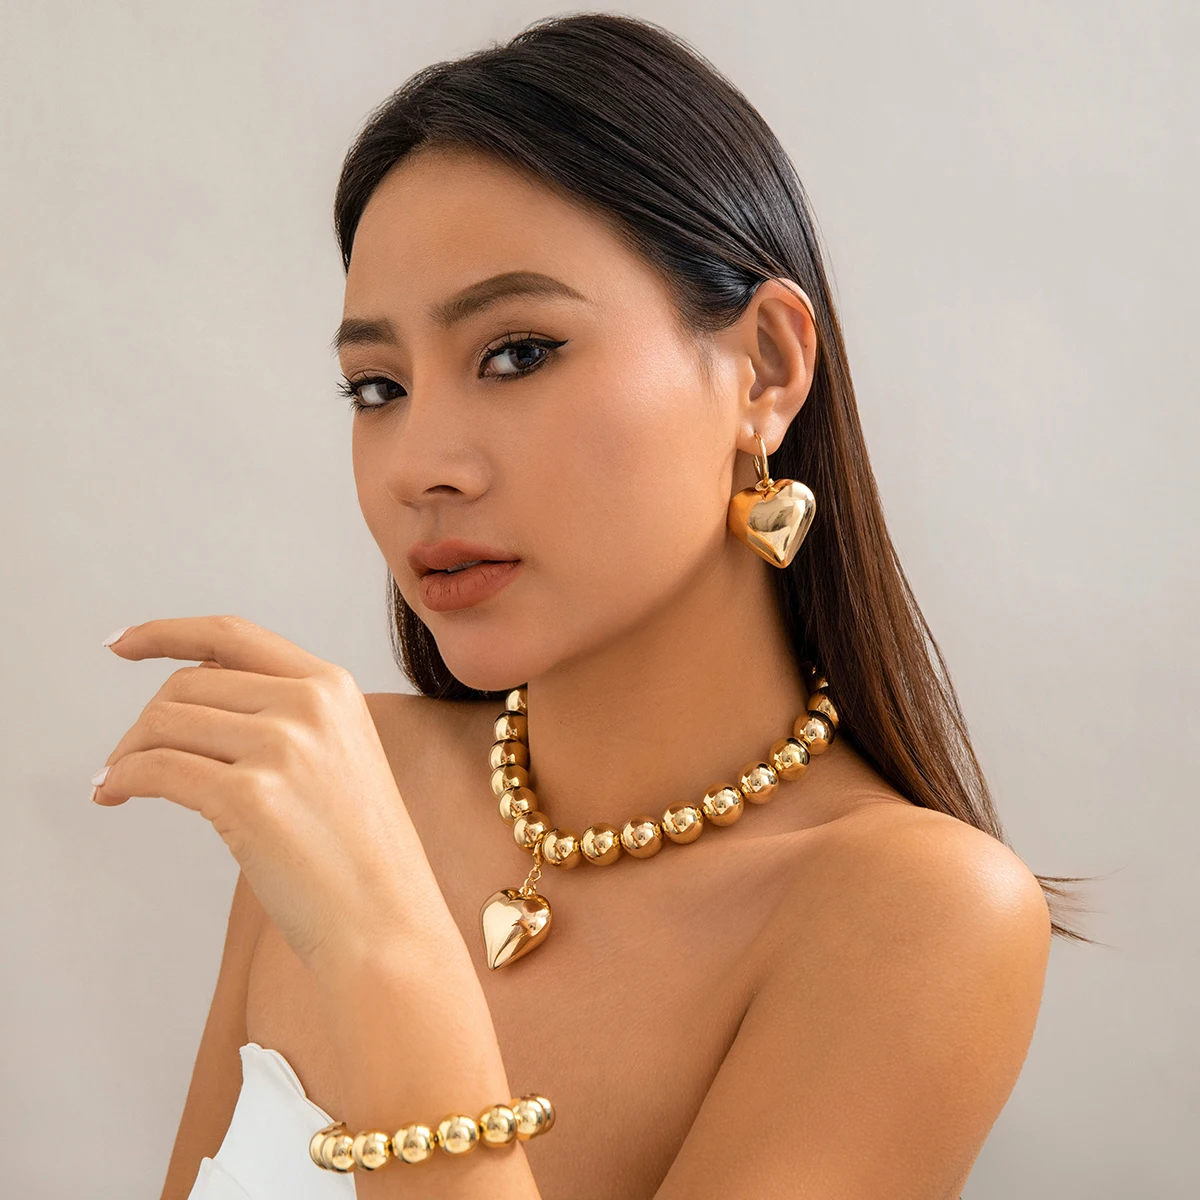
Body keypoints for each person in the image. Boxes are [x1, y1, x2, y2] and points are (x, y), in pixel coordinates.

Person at [92, 12, 1089, 1200]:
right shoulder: (348, 781)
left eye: (517, 353)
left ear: (766, 369)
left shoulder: (919, 916)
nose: (421, 466)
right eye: (377, 387)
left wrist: (384, 951)